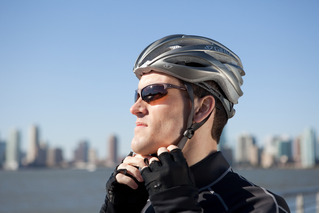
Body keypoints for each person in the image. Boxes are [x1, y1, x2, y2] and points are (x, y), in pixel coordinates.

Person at [100, 34, 290, 213]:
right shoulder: (147, 199)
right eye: (137, 95)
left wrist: (175, 205)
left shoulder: (260, 206)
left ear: (201, 108)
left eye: (152, 93)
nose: (135, 108)